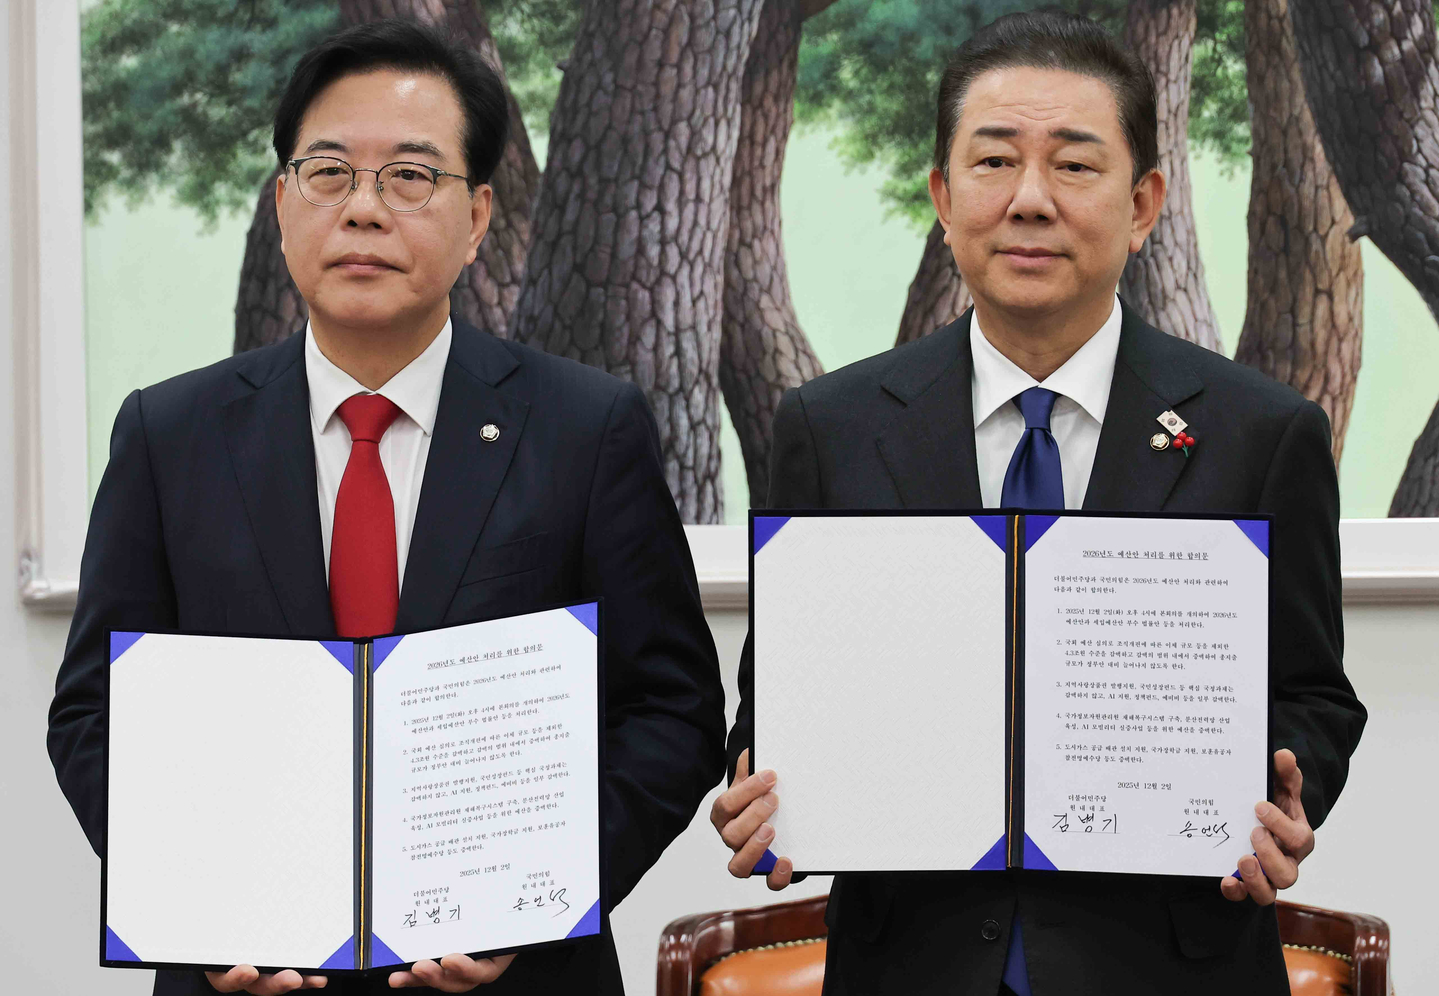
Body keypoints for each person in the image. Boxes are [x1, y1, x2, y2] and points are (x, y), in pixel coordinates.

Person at [48, 20, 725, 996]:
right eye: (328, 172)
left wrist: (540, 899)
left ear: (478, 216)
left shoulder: (584, 428)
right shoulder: (173, 433)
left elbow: (669, 710)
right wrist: (199, 914)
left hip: (516, 972)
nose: (363, 210)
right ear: (283, 204)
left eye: (410, 177)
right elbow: (92, 716)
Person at [711, 12, 1366, 996]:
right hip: (909, 965)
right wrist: (760, 786)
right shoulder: (832, 426)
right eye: (990, 162)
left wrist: (1279, 794)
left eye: (1072, 165)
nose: (1027, 201)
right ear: (941, 195)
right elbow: (778, 697)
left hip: (1168, 964)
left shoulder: (1259, 432)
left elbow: (1313, 695)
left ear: (1143, 204)